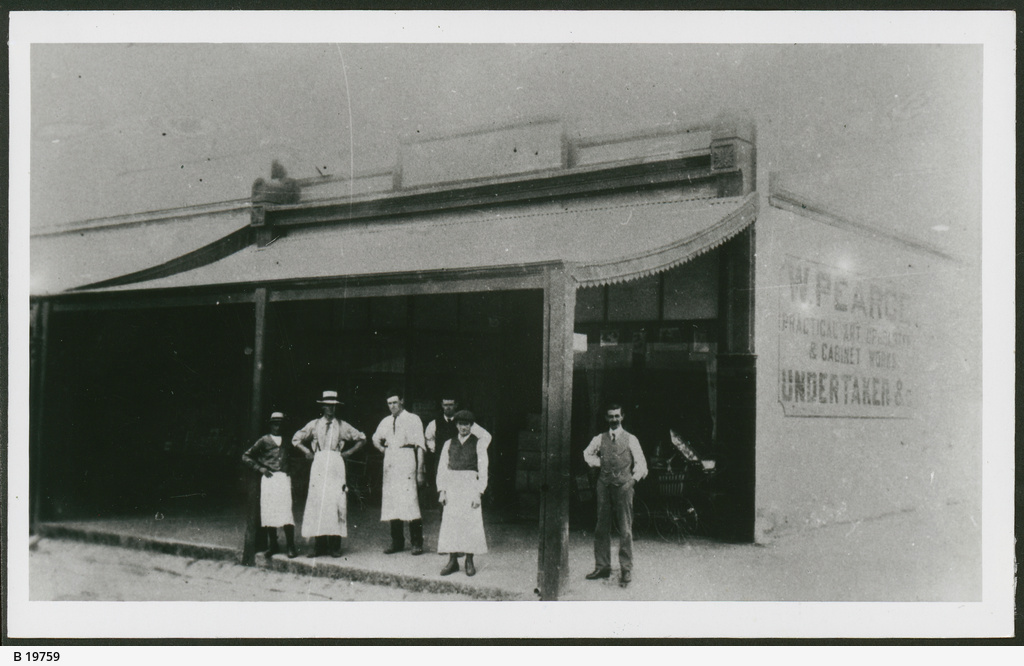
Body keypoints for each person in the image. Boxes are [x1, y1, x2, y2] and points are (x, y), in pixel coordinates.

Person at [292, 390, 366, 558]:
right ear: (323, 407)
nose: (330, 409)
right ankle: (319, 546)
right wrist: (306, 452)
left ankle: (335, 546)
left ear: (336, 407)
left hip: (335, 464)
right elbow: (296, 439)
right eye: (327, 406)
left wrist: (348, 453)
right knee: (318, 502)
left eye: (333, 406)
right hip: (319, 463)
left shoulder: (342, 425)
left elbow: (362, 438)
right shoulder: (314, 424)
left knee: (336, 502)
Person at [582, 403, 648, 588]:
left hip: (624, 488)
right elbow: (586, 454)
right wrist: (599, 464)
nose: (614, 419)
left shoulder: (631, 439)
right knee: (601, 527)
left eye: (617, 416)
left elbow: (641, 463)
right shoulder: (599, 438)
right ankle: (602, 566)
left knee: (625, 529)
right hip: (604, 486)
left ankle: (626, 569)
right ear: (606, 418)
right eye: (610, 416)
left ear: (622, 417)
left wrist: (632, 481)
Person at [436, 410, 491, 576]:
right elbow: (442, 468)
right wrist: (442, 491)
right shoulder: (448, 443)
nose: (463, 427)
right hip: (452, 487)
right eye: (460, 424)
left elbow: (483, 469)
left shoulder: (479, 443)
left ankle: (469, 560)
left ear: (471, 426)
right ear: (456, 425)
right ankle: (452, 561)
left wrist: (479, 493)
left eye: (466, 424)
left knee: (470, 524)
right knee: (451, 524)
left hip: (469, 487)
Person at [371, 389, 426, 555]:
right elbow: (375, 438)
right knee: (392, 501)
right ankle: (397, 542)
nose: (392, 406)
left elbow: (420, 445)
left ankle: (417, 542)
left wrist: (420, 471)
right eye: (389, 403)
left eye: (395, 402)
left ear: (402, 401)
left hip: (407, 459)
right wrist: (382, 449)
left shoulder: (413, 419)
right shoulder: (386, 421)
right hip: (390, 462)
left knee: (410, 501)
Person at [241, 411, 299, 558]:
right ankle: (273, 545)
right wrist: (260, 468)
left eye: (280, 424)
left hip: (283, 479)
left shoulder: (287, 441)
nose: (277, 427)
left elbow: (293, 459)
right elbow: (246, 456)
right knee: (270, 511)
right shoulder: (264, 440)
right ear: (270, 425)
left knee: (286, 512)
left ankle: (291, 546)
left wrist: (290, 471)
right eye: (275, 424)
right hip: (269, 478)